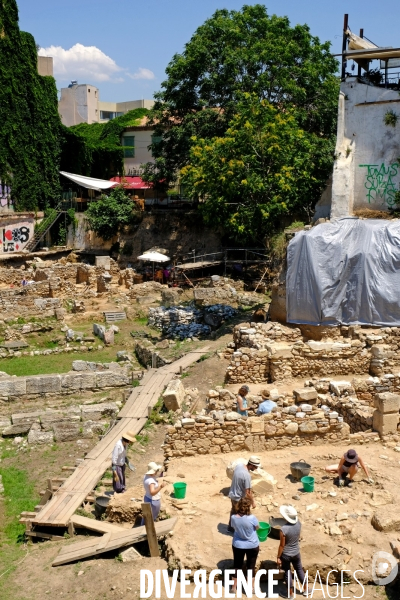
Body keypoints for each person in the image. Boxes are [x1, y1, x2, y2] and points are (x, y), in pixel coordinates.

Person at [277, 505, 309, 599]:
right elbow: (298, 537)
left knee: (287, 572)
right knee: (299, 569)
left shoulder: (284, 529)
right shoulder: (298, 524)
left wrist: (278, 557)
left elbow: (282, 545)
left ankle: (290, 594)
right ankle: (306, 590)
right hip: (296, 552)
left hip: (286, 554)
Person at [230, 497, 260, 593]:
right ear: (249, 507)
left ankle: (234, 587)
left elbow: (233, 527)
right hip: (252, 545)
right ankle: (250, 588)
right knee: (251, 566)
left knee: (237, 566)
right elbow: (257, 527)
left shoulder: (233, 517)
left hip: (238, 545)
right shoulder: (252, 518)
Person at [228, 456, 260, 533]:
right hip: (238, 498)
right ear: (251, 465)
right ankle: (240, 532)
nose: (256, 468)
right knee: (242, 515)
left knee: (233, 512)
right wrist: (252, 502)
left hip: (232, 494)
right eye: (255, 466)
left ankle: (230, 528)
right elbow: (248, 492)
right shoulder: (247, 476)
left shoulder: (239, 466)